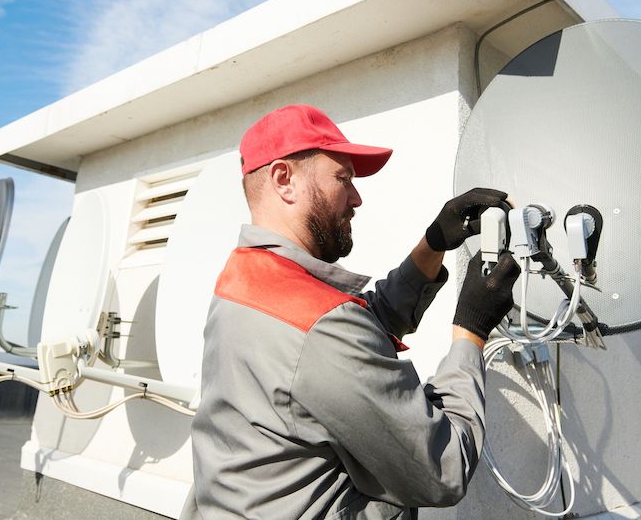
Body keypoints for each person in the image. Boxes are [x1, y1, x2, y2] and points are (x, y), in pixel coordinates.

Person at [182, 104, 521, 519]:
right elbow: (443, 466)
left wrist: (432, 244)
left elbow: (354, 331)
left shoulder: (244, 277)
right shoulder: (318, 324)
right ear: (284, 180)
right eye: (343, 178)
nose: (357, 198)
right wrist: (471, 329)